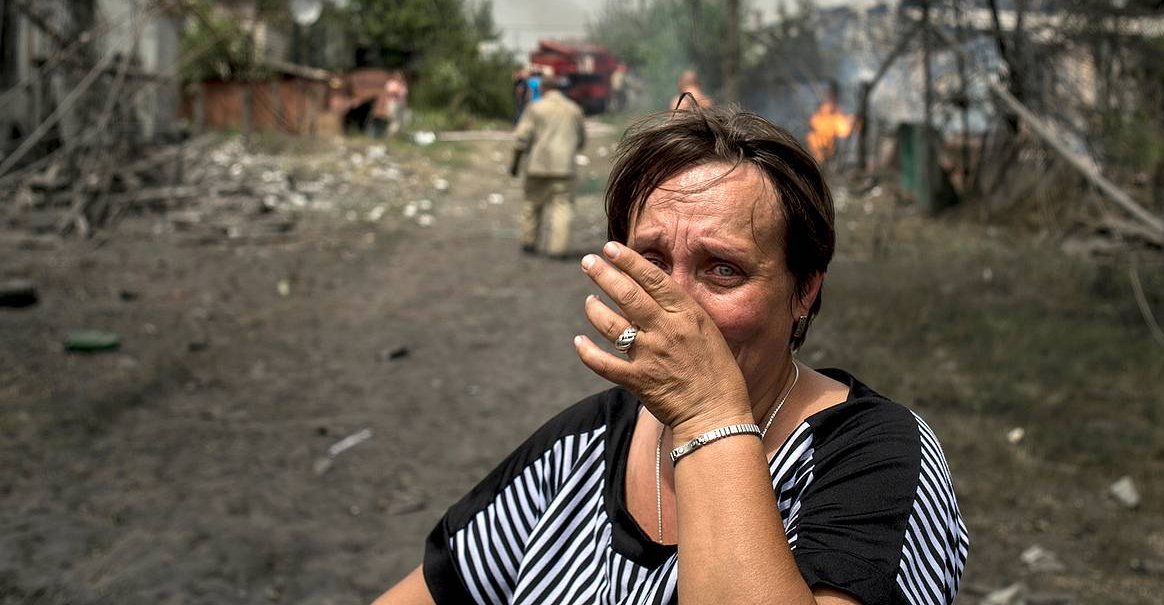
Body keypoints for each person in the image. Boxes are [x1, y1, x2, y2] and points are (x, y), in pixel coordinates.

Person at [374, 104, 967, 605]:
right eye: (651, 262)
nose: (674, 305)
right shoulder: (580, 448)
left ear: (804, 288)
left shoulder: (875, 456)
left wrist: (708, 415)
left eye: (723, 269)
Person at [509, 75, 586, 259]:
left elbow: (521, 139)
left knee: (532, 204)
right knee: (562, 207)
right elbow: (581, 139)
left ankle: (529, 243)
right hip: (564, 167)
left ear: (543, 89)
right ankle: (557, 249)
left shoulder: (535, 108)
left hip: (538, 165)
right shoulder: (574, 109)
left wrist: (515, 164)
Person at [806, 78, 857, 167]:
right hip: (820, 150)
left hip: (833, 153)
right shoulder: (821, 114)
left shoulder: (837, 115)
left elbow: (843, 130)